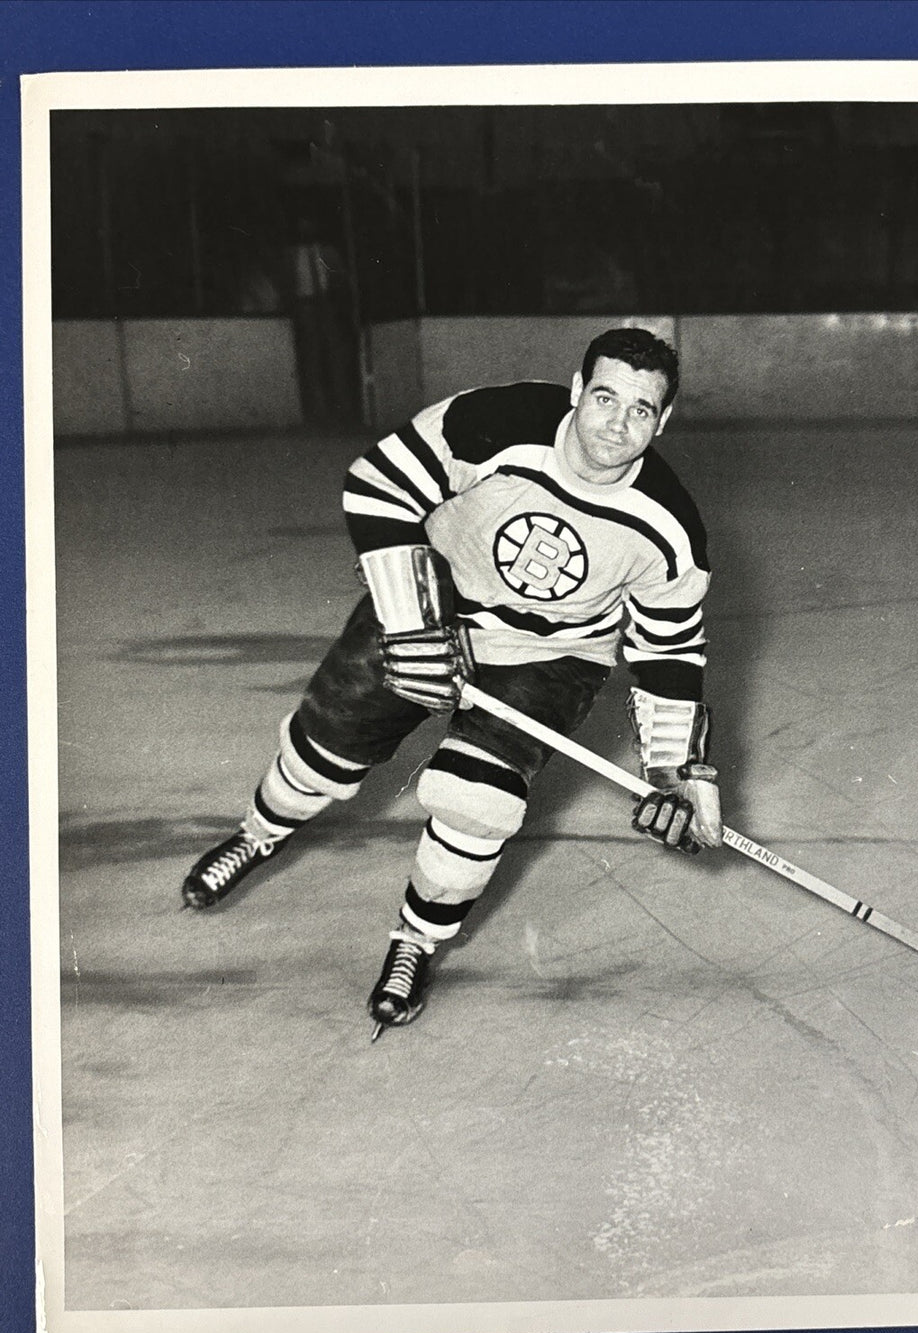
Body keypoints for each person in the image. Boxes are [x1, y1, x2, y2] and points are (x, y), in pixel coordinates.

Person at [182, 328, 722, 1037]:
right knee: (323, 749)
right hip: (428, 603)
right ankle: (259, 833)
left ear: (665, 419)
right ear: (574, 391)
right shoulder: (491, 422)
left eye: (641, 410)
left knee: (478, 804)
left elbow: (669, 649)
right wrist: (411, 627)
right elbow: (378, 484)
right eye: (604, 397)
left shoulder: (671, 530)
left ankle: (415, 943)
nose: (617, 424)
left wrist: (677, 772)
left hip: (549, 656)